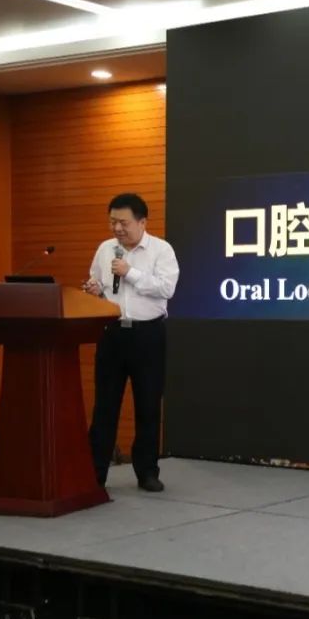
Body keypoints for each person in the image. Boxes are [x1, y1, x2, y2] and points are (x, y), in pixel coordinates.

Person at [82, 193, 179, 492]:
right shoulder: (105, 248)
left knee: (147, 404)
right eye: (112, 222)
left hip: (147, 335)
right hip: (112, 334)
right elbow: (98, 283)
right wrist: (94, 289)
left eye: (123, 223)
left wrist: (131, 273)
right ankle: (94, 473)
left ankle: (147, 472)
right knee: (105, 406)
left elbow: (167, 288)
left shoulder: (161, 250)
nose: (117, 228)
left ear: (142, 222)